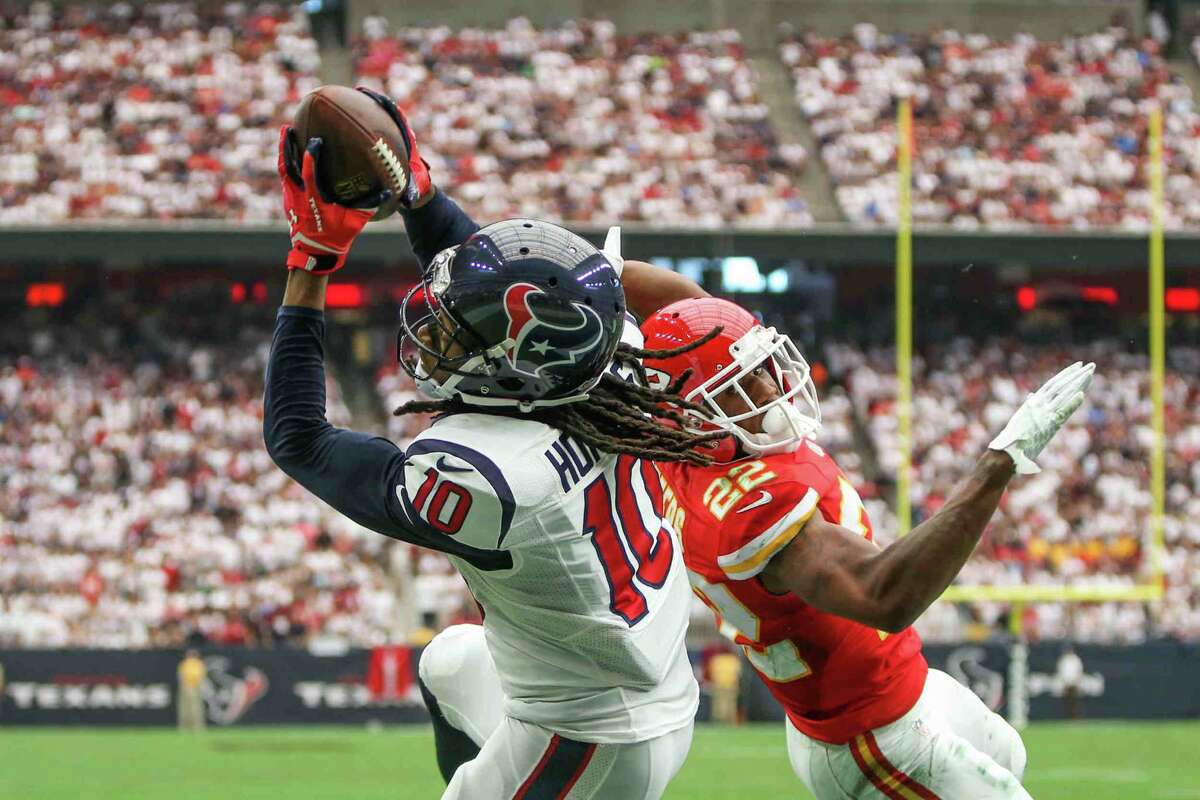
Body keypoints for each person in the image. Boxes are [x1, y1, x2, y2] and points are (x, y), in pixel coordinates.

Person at [263, 89, 719, 799]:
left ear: (512, 370)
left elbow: (299, 439)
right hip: (638, 685)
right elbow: (511, 289)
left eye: (457, 328)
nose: (439, 328)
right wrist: (418, 194)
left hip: (592, 737)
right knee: (448, 661)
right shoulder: (600, 363)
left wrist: (312, 259)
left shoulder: (491, 475)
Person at [629, 291, 1093, 800]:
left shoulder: (682, 450)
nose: (771, 385)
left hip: (899, 684)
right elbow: (885, 597)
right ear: (692, 415)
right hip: (872, 733)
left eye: (761, 367)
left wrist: (607, 276)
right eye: (743, 384)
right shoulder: (750, 507)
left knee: (1009, 754)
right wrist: (999, 465)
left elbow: (692, 319)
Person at [177, 649, 206, 732]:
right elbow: (181, 676)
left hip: (194, 688)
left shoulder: (198, 664)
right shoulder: (185, 664)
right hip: (186, 687)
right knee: (185, 709)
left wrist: (194, 686)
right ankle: (185, 727)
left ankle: (197, 727)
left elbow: (200, 677)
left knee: (195, 709)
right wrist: (186, 686)